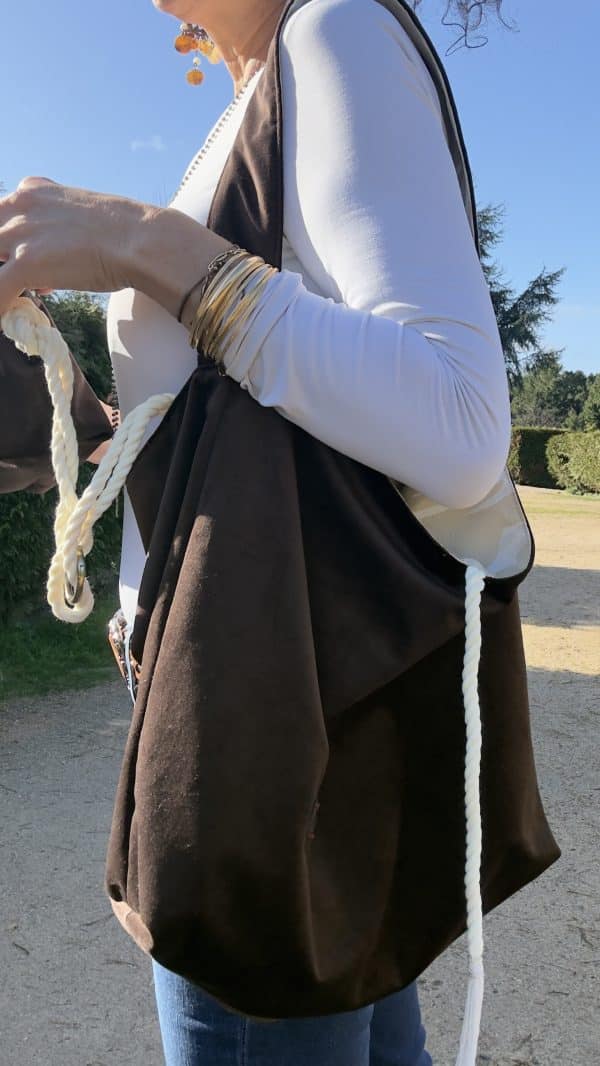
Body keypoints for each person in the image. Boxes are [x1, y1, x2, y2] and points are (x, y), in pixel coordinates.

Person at [0, 1, 557, 1064]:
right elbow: (230, 425)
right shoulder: (258, 100)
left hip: (260, 721)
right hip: (290, 705)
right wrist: (56, 395)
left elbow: (458, 425)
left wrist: (139, 243)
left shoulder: (334, 29)